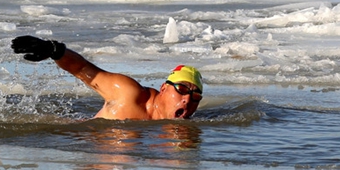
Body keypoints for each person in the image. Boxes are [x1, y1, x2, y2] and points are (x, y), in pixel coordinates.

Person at [11, 35, 203, 120]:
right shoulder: (128, 94)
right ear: (164, 88)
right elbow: (86, 71)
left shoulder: (182, 131)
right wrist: (54, 50)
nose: (187, 99)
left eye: (195, 96)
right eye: (182, 89)